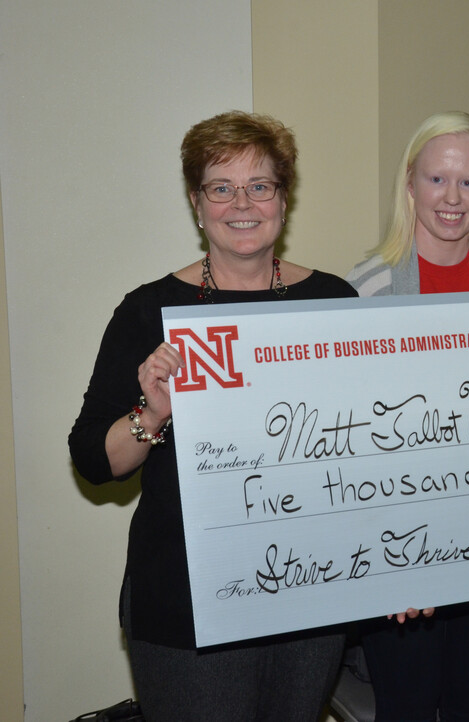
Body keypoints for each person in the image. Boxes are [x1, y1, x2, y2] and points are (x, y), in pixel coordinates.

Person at [68, 111, 355, 720]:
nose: (242, 203)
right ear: (198, 205)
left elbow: (373, 441)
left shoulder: (333, 301)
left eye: (261, 185)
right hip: (187, 600)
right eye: (221, 188)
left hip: (312, 589)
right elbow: (94, 459)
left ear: (284, 198)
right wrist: (154, 412)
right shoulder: (148, 311)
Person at [345, 111, 469, 722]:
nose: (452, 199)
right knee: (406, 706)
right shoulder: (360, 291)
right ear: (410, 184)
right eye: (436, 180)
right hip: (397, 547)